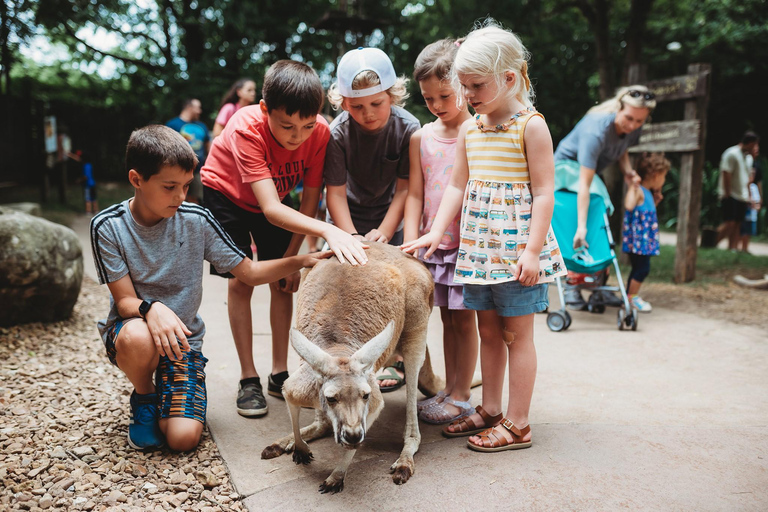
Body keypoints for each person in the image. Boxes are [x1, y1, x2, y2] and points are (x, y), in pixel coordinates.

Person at [90, 125, 330, 451]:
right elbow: (124, 302)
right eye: (170, 186)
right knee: (137, 336)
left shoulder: (196, 219)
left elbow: (249, 271)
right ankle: (145, 396)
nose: (180, 196)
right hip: (135, 331)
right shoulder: (108, 226)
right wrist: (152, 308)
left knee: (183, 439)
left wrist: (303, 259)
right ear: (137, 179)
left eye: (187, 186)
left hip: (181, 344)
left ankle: (176, 383)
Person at [403, 21, 567, 452]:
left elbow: (545, 191)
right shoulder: (472, 129)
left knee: (517, 337)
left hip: (516, 255)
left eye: (475, 86)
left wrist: (532, 251)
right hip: (478, 253)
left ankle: (519, 423)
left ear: (509, 78)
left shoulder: (530, 127)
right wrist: (435, 233)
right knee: (489, 332)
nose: (467, 96)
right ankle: (490, 409)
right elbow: (457, 185)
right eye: (464, 86)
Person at [200, 60, 367, 418]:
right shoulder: (246, 127)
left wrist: (294, 260)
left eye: (307, 125)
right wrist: (329, 231)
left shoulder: (320, 132)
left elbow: (309, 202)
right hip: (227, 194)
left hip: (276, 197)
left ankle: (279, 372)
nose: (297, 136)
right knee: (241, 281)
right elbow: (272, 209)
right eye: (287, 126)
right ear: (265, 110)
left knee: (283, 285)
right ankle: (248, 378)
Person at [324, 47, 420, 391]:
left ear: (392, 96)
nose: (367, 114)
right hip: (346, 214)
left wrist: (385, 230)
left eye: (376, 104)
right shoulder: (336, 133)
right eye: (357, 106)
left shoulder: (408, 127)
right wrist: (349, 237)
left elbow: (407, 188)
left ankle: (394, 358)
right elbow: (333, 193)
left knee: (394, 285)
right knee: (338, 282)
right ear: (343, 102)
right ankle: (339, 357)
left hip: (390, 212)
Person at [403, 38, 479, 424]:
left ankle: (463, 394)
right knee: (446, 318)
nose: (436, 105)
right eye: (428, 98)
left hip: (466, 245)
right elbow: (415, 193)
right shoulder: (422, 137)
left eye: (444, 95)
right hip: (433, 247)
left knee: (464, 319)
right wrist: (411, 237)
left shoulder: (478, 131)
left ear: (464, 86)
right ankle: (450, 387)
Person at [553, 85, 656, 310]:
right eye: (629, 118)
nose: (632, 126)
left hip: (588, 177)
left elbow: (623, 146)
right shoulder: (595, 132)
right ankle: (572, 286)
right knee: (577, 224)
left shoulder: (633, 127)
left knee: (599, 217)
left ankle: (598, 286)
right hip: (565, 174)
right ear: (618, 108)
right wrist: (581, 228)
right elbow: (584, 184)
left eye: (639, 121)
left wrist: (628, 171)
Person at [622, 153, 669, 313]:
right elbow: (629, 205)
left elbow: (645, 212)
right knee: (642, 269)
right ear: (656, 175)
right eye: (664, 176)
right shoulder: (639, 191)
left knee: (638, 268)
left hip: (644, 241)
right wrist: (632, 187)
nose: (664, 180)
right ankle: (632, 297)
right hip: (639, 242)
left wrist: (655, 202)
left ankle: (628, 297)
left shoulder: (648, 193)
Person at [715, 131, 760, 251]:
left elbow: (747, 179)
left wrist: (749, 196)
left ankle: (732, 248)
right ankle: (711, 243)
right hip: (731, 194)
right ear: (750, 143)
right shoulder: (732, 153)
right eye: (755, 145)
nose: (756, 148)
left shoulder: (748, 158)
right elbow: (726, 172)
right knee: (729, 223)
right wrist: (728, 193)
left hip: (742, 195)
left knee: (737, 224)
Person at [166, 98, 211, 204]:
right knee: (176, 198)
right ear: (189, 107)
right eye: (198, 108)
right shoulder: (172, 125)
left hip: (197, 171)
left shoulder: (202, 126)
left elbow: (208, 147)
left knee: (196, 200)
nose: (200, 111)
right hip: (176, 170)